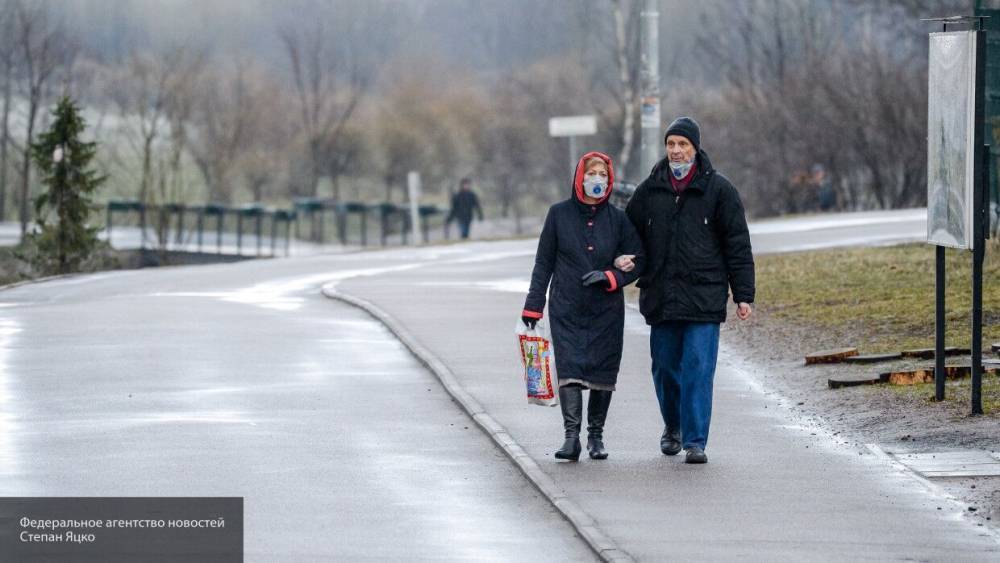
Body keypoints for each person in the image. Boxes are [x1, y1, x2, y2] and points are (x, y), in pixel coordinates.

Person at [624, 117, 755, 464]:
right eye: (671, 144)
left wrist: (743, 294)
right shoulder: (649, 191)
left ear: (696, 148)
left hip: (704, 296)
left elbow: (737, 245)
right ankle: (674, 427)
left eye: (683, 144)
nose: (676, 150)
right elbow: (627, 233)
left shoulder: (719, 190)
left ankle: (696, 440)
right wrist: (619, 264)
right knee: (665, 368)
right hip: (662, 296)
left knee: (698, 366)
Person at [521, 151, 644, 461]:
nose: (597, 180)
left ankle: (596, 437)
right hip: (566, 306)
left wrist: (611, 276)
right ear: (580, 178)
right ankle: (571, 437)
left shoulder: (618, 219)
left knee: (603, 371)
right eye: (591, 174)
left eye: (602, 175)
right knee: (570, 369)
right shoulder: (558, 214)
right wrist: (533, 306)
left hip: (606, 310)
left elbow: (639, 260)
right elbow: (543, 262)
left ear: (610, 179)